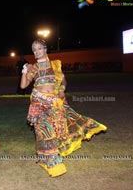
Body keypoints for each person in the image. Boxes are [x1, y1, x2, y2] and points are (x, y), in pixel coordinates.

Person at [20, 39, 107, 177]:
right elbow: (23, 86)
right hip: (38, 102)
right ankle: (53, 163)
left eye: (39, 49)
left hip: (54, 103)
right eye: (34, 50)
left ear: (45, 49)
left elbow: (63, 80)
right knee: (43, 130)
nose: (37, 52)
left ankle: (46, 158)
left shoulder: (55, 64)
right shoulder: (34, 68)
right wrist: (24, 71)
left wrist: (62, 88)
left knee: (56, 131)